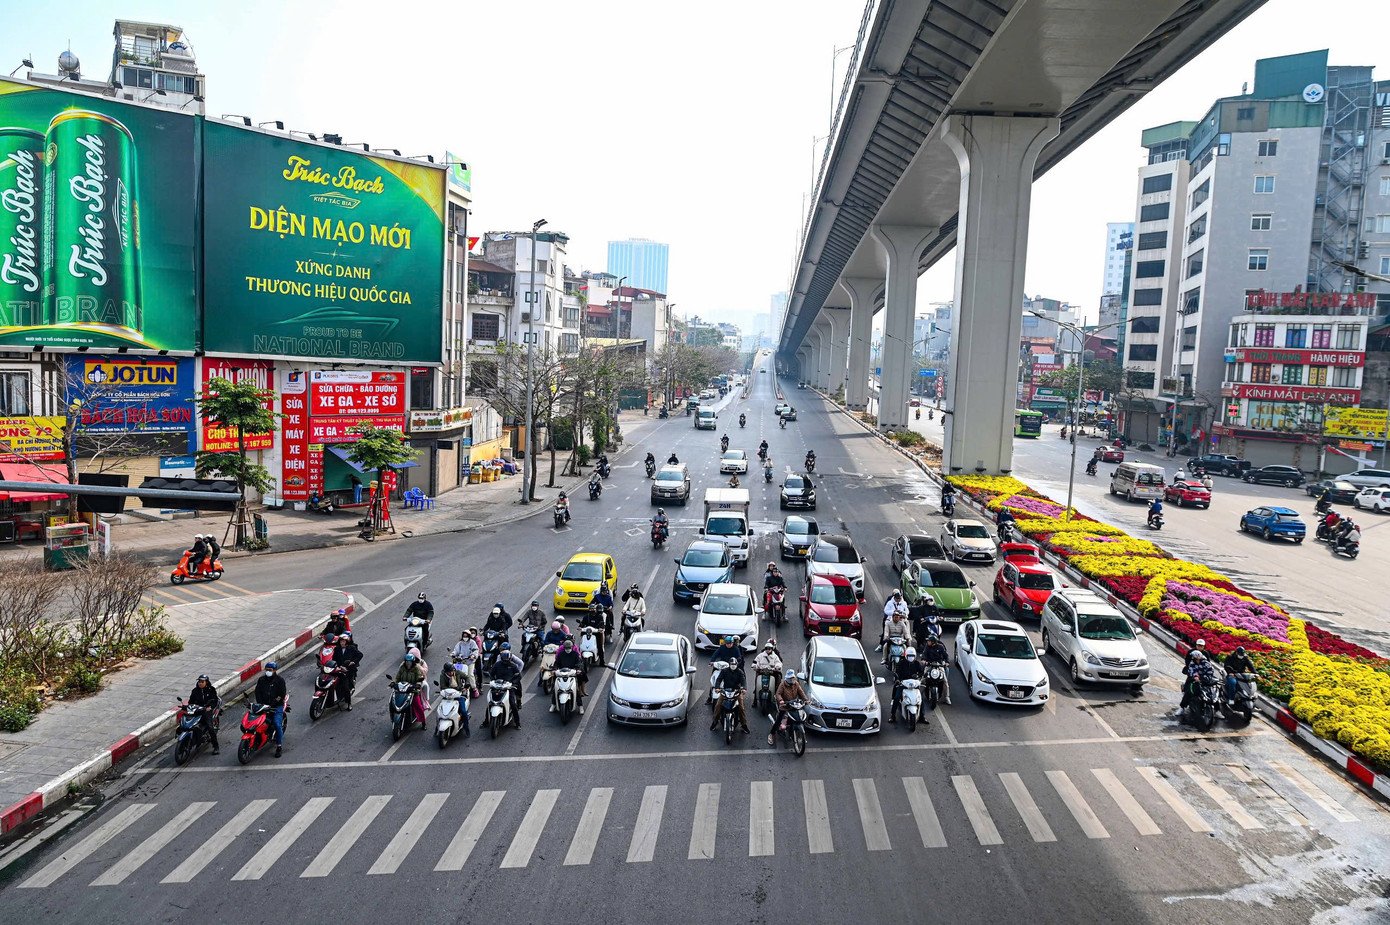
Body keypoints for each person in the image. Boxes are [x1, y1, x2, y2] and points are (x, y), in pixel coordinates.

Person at [254, 662, 288, 758]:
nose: (268, 672)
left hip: (276, 706)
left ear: (274, 670)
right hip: (263, 706)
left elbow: (281, 696)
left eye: (270, 670)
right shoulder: (261, 680)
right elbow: (257, 692)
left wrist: (272, 705)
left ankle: (279, 746)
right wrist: (261, 704)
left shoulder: (280, 681)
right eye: (267, 670)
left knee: (277, 724)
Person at [768, 667, 808, 746]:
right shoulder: (782, 685)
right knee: (779, 720)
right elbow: (778, 694)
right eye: (790, 678)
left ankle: (797, 735)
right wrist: (781, 700)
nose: (792, 679)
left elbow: (801, 692)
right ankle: (771, 734)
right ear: (787, 678)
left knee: (799, 718)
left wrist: (806, 700)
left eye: (793, 678)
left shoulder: (796, 684)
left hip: (794, 706)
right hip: (785, 705)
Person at [710, 658, 750, 733]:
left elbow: (743, 681)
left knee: (741, 708)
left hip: (736, 692)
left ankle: (744, 724)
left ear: (736, 664)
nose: (733, 666)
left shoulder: (739, 672)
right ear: (729, 665)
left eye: (734, 664)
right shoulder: (724, 671)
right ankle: (714, 722)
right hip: (725, 691)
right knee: (718, 705)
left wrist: (744, 688)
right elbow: (719, 679)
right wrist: (717, 688)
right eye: (732, 664)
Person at [186, 674, 220, 754]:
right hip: (197, 710)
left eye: (202, 682)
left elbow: (214, 700)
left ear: (206, 682)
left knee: (210, 728)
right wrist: (189, 706)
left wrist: (210, 707)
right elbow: (191, 702)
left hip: (206, 711)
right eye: (199, 682)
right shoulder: (195, 691)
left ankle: (216, 746)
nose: (200, 683)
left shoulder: (211, 690)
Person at [490, 646, 523, 728]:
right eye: (504, 658)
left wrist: (513, 683)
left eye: (507, 658)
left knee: (513, 704)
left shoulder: (513, 666)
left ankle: (517, 723)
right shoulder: (497, 665)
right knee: (490, 702)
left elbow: (518, 676)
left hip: (508, 688)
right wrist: (493, 681)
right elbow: (491, 673)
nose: (505, 659)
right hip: (497, 686)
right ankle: (486, 721)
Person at [890, 647, 925, 723]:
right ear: (906, 656)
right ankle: (893, 715)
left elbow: (921, 672)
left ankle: (922, 716)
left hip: (914, 685)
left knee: (920, 699)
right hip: (904, 684)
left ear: (915, 656)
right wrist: (898, 679)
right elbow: (896, 672)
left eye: (912, 656)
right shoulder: (901, 663)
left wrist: (918, 677)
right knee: (896, 698)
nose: (911, 657)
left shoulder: (917, 664)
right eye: (909, 656)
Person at [554, 636, 585, 708]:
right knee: (555, 688)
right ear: (564, 648)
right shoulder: (561, 654)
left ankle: (580, 705)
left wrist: (578, 670)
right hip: (561, 673)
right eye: (566, 648)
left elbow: (578, 663)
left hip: (572, 673)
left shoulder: (575, 654)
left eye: (569, 648)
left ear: (572, 647)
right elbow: (556, 663)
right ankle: (553, 704)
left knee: (576, 689)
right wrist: (554, 670)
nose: (568, 650)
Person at [333, 631, 362, 708]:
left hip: (348, 671)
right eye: (341, 641)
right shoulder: (337, 649)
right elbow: (334, 659)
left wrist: (353, 662)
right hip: (339, 669)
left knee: (346, 687)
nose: (342, 643)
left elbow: (360, 655)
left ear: (346, 642)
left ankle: (349, 703)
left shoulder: (351, 648)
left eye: (343, 641)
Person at [450, 630, 481, 698]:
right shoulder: (460, 643)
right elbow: (456, 650)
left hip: (469, 662)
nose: (465, 637)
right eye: (464, 636)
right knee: (455, 673)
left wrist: (473, 655)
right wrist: (453, 654)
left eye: (466, 636)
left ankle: (474, 688)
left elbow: (476, 650)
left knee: (470, 675)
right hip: (461, 662)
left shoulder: (472, 643)